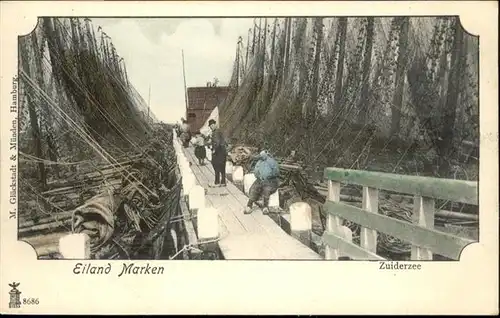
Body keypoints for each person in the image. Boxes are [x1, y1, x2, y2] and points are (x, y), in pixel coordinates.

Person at [244, 150, 280, 215]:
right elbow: (256, 172)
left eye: (263, 155)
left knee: (267, 190)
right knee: (253, 188)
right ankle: (249, 205)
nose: (262, 157)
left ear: (267, 155)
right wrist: (259, 176)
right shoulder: (259, 162)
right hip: (260, 180)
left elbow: (276, 172)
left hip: (271, 181)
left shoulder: (272, 162)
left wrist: (269, 176)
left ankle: (265, 207)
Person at [208, 119, 227, 187]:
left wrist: (214, 150)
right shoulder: (219, 131)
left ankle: (217, 182)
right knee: (222, 167)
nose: (211, 128)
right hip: (223, 151)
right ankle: (223, 182)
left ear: (213, 125)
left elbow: (217, 142)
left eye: (211, 126)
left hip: (218, 152)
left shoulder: (215, 132)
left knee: (216, 166)